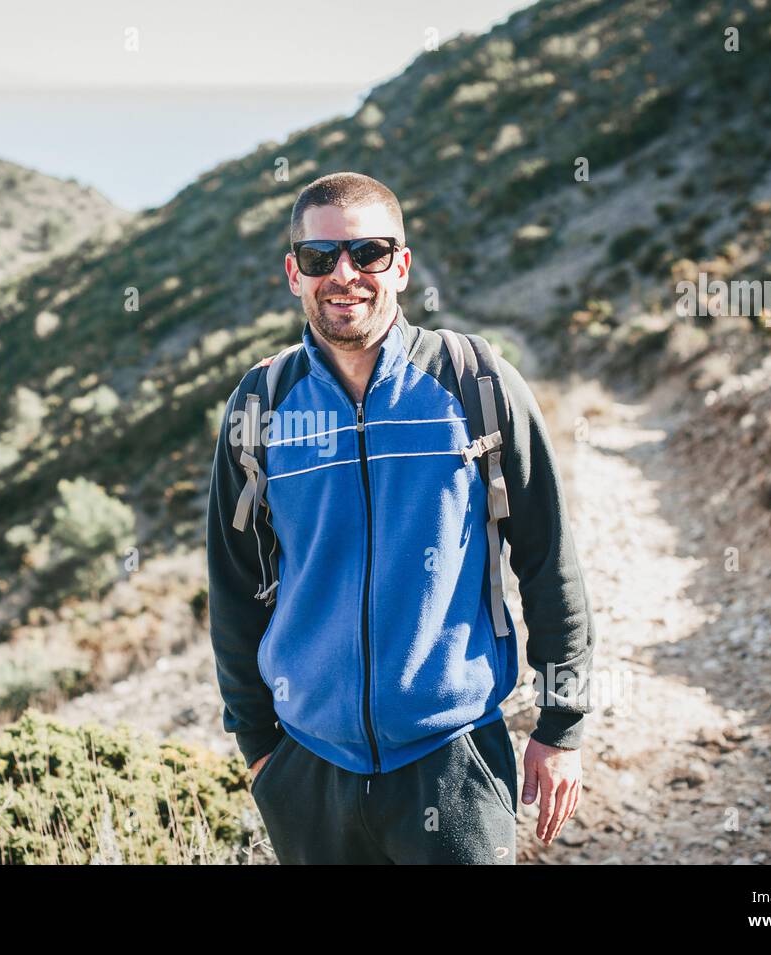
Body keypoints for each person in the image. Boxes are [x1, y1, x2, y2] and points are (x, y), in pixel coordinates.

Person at [205, 171, 596, 864]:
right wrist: (261, 750)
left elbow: (548, 560)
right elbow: (235, 587)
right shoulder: (260, 406)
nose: (345, 274)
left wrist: (561, 725)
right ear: (294, 273)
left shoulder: (476, 382)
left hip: (454, 756)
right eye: (322, 258)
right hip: (309, 767)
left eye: (369, 253)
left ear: (402, 266)